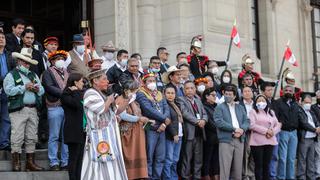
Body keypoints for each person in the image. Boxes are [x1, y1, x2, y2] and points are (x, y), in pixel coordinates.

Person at [81, 69, 128, 180]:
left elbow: (118, 110)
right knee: (98, 163)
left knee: (111, 162)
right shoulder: (90, 93)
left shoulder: (103, 94)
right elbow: (101, 109)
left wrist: (127, 97)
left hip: (110, 135)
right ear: (95, 81)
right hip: (98, 135)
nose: (107, 81)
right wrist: (110, 100)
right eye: (104, 79)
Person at [3, 47, 45, 171]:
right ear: (19, 61)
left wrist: (37, 89)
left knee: (32, 137)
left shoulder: (33, 75)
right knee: (17, 136)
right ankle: (16, 163)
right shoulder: (11, 74)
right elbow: (8, 90)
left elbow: (42, 90)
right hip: (18, 110)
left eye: (28, 62)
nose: (27, 64)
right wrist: (24, 87)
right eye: (25, 62)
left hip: (32, 109)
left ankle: (30, 163)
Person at [136, 73, 170, 179]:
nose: (152, 83)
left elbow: (166, 108)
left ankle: (156, 177)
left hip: (162, 128)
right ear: (144, 83)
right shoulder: (141, 93)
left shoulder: (159, 93)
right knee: (149, 156)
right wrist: (164, 119)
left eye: (153, 81)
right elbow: (148, 110)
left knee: (160, 157)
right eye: (149, 81)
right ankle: (149, 177)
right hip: (149, 127)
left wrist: (164, 124)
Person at [213, 84, 249, 180]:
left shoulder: (240, 107)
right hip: (226, 140)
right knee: (225, 167)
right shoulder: (219, 107)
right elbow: (219, 122)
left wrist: (241, 130)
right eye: (226, 94)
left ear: (234, 96)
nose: (227, 96)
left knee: (238, 168)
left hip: (239, 139)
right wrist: (234, 129)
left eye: (230, 94)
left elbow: (246, 121)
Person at [42, 50, 69, 171]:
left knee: (65, 136)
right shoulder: (48, 72)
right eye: (57, 58)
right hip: (55, 107)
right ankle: (53, 161)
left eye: (62, 58)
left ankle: (65, 161)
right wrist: (66, 93)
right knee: (54, 135)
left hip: (67, 107)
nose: (60, 60)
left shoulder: (68, 72)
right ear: (52, 61)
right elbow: (49, 87)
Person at [119, 79, 149, 180]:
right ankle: (129, 176)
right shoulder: (121, 99)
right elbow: (122, 115)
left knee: (139, 153)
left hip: (138, 132)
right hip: (128, 133)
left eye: (136, 90)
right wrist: (138, 118)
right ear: (127, 90)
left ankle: (140, 176)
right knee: (129, 155)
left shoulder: (135, 102)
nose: (135, 92)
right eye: (134, 90)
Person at [178, 80, 208, 180]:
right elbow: (185, 113)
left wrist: (203, 120)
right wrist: (197, 121)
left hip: (199, 133)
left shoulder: (198, 100)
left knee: (198, 159)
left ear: (195, 89)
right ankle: (185, 177)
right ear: (184, 90)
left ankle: (197, 177)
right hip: (189, 133)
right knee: (187, 158)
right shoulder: (180, 100)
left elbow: (204, 113)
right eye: (187, 88)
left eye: (192, 88)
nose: (190, 90)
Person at [249, 94, 281, 180]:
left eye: (263, 100)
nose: (261, 102)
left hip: (270, 141)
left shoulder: (271, 112)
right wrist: (266, 131)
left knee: (267, 164)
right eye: (259, 100)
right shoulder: (253, 111)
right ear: (255, 102)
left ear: (266, 102)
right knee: (259, 164)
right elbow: (252, 125)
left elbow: (278, 124)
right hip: (257, 142)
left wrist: (273, 132)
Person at [273, 85, 302, 179]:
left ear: (293, 92)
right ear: (283, 91)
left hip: (293, 133)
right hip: (283, 132)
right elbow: (276, 117)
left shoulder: (296, 104)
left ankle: (290, 177)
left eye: (290, 90)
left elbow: (299, 118)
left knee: (291, 158)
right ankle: (281, 177)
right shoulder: (278, 102)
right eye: (286, 90)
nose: (288, 92)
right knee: (282, 158)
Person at [61, 73, 85, 180]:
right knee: (74, 158)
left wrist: (77, 92)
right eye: (81, 81)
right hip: (73, 130)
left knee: (81, 158)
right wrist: (75, 92)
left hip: (82, 130)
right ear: (75, 82)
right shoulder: (66, 94)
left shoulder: (81, 93)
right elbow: (78, 105)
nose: (83, 83)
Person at [297, 93, 320, 180]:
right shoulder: (299, 111)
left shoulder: (311, 112)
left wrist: (318, 127)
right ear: (302, 102)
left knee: (311, 159)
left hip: (313, 138)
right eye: (306, 102)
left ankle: (311, 176)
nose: (308, 104)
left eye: (310, 103)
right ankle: (301, 176)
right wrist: (315, 130)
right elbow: (303, 123)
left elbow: (316, 121)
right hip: (304, 138)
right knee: (302, 158)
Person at [162, 85, 184, 180]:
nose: (170, 95)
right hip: (170, 136)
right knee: (169, 160)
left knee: (175, 160)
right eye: (168, 93)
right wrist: (174, 134)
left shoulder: (176, 105)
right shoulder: (165, 105)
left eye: (172, 93)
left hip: (179, 135)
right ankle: (167, 178)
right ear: (164, 94)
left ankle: (174, 177)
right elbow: (168, 121)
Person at [0, 32, 15, 151]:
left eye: (3, 37)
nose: (1, 39)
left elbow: (14, 71)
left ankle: (4, 142)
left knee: (6, 117)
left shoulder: (9, 55)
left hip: (7, 89)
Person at [201, 87, 220, 180]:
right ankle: (206, 174)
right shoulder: (204, 106)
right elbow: (209, 122)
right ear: (206, 96)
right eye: (213, 95)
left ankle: (215, 174)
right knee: (208, 157)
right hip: (209, 136)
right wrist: (221, 129)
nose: (215, 97)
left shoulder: (217, 106)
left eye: (215, 95)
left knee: (216, 157)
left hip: (218, 136)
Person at [239, 86, 255, 180]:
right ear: (242, 94)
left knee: (254, 154)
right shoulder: (239, 105)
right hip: (246, 132)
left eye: (249, 91)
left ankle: (252, 174)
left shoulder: (256, 104)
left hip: (256, 132)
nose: (247, 93)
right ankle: (245, 175)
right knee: (246, 154)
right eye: (245, 91)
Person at [311, 90, 320, 179]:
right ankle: (318, 173)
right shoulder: (313, 107)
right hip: (318, 133)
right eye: (318, 96)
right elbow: (314, 119)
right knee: (318, 155)